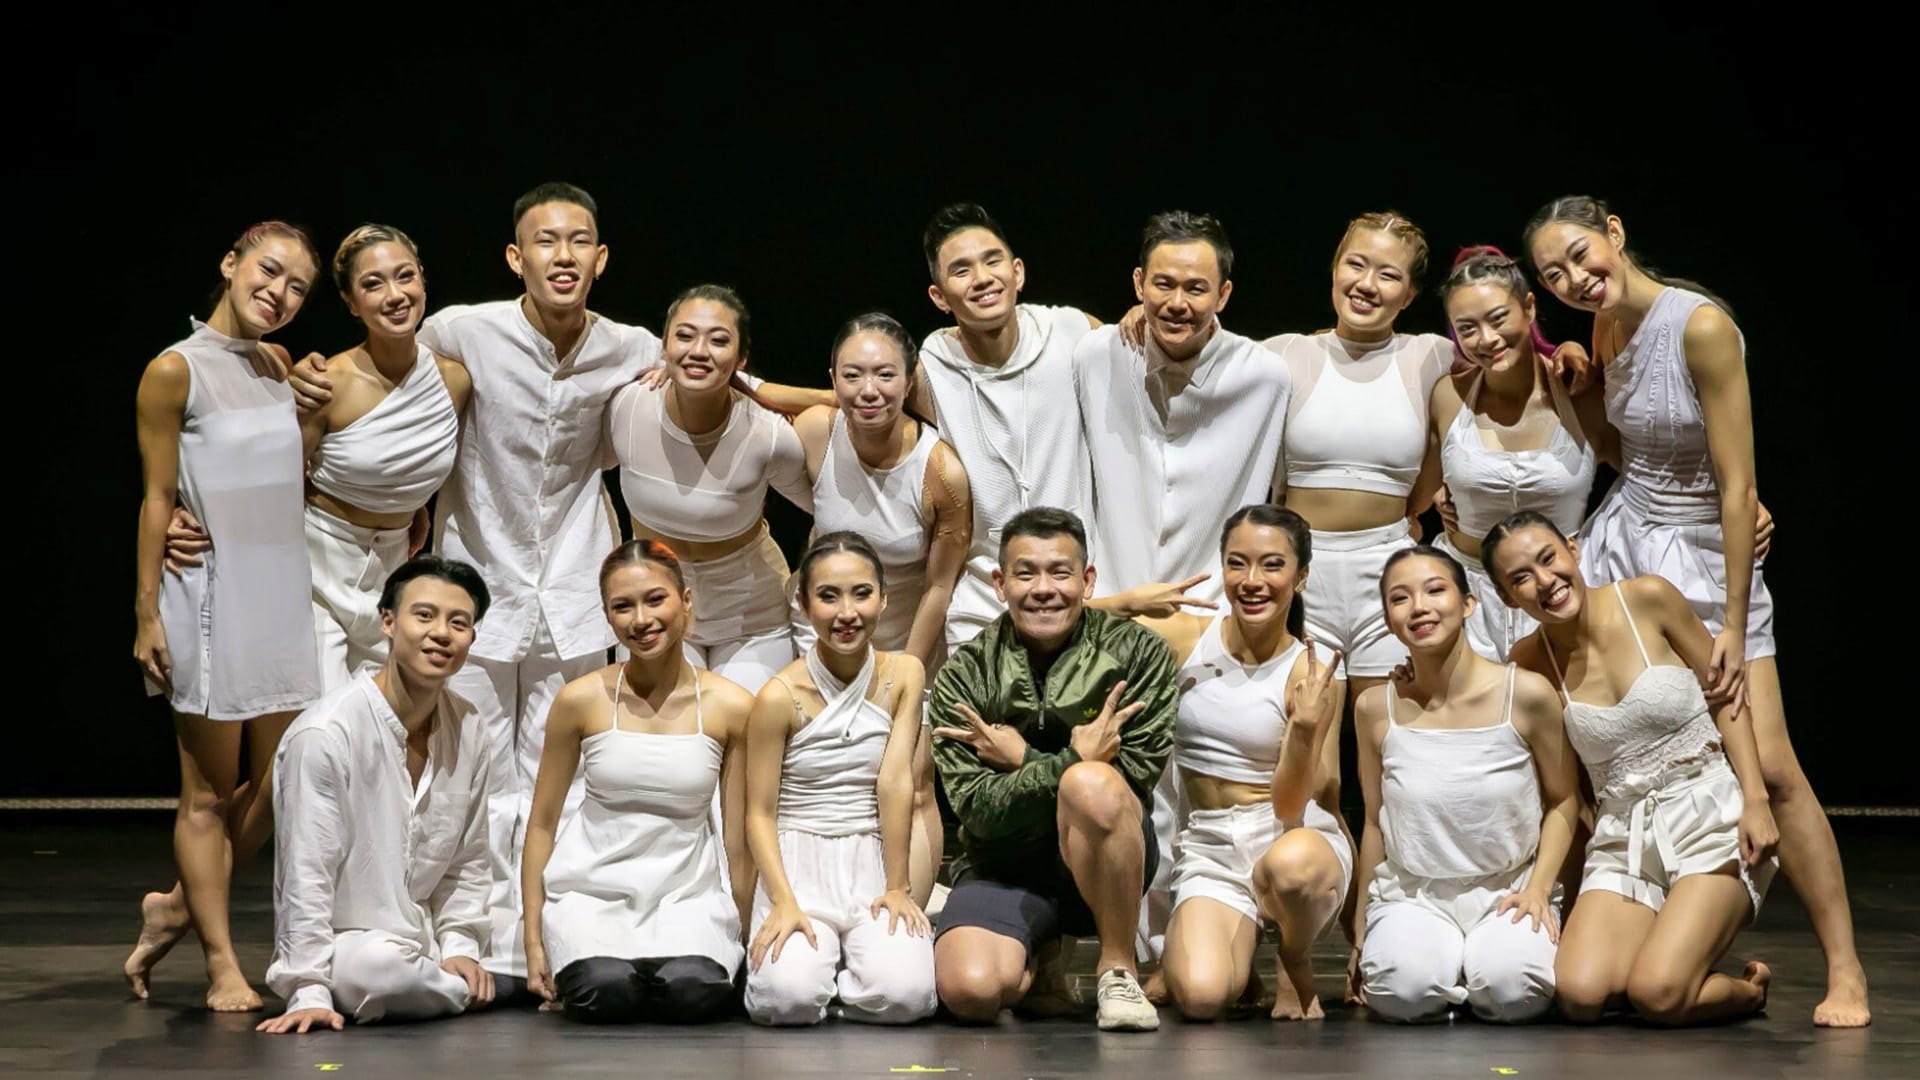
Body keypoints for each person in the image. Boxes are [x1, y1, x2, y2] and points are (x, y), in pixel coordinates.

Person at [1525, 195, 1868, 1027]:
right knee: (1613, 755)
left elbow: (1738, 484)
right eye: (1554, 274)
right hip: (1626, 540)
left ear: (1614, 232)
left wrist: (1734, 624)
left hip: (1711, 553)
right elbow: (1623, 452)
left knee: (1771, 766)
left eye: (1580, 255)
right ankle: (1623, 931)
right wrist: (1580, 391)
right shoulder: (1605, 327)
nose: (1575, 279)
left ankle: (1846, 968)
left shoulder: (1702, 327)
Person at [127, 222, 325, 1011]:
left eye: (297, 287)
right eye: (269, 272)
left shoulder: (277, 365)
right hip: (210, 592)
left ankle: (176, 905)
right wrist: (146, 613)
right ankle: (219, 963)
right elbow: (156, 497)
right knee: (208, 793)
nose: (279, 293)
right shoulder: (175, 370)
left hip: (281, 591)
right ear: (231, 263)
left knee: (281, 782)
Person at [1485, 512, 1777, 1025]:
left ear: (1573, 549)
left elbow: (1726, 697)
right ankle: (1669, 950)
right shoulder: (1529, 661)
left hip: (1710, 814)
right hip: (1623, 834)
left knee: (1657, 995)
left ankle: (1746, 991)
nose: (1545, 581)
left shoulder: (1648, 597)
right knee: (1580, 995)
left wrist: (1755, 799)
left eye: (1549, 558)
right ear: (1508, 598)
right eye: (1521, 578)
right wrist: (1412, 680)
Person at [929, 507, 1174, 1032]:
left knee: (1093, 784)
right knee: (970, 992)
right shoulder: (965, 674)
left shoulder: (1138, 654)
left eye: (1060, 573)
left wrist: (1023, 759)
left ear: (1087, 580)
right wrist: (1070, 759)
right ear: (1000, 584)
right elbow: (977, 810)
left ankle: (1117, 969)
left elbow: (1132, 782)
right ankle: (1038, 956)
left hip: (1102, 869)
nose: (1044, 589)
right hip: (1002, 866)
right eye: (1026, 574)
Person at [1127, 505, 1352, 1022]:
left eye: (1272, 565)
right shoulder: (1187, 637)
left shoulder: (1311, 671)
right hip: (1211, 842)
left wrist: (1303, 730)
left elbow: (1291, 804)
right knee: (1201, 998)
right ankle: (1231, 948)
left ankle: (1293, 958)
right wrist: (1128, 602)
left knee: (1290, 868)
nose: (1252, 581)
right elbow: (1067, 619)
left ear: (1301, 577)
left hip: (1291, 838)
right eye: (1237, 563)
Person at [257, 557, 495, 1033]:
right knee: (380, 971)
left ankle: (454, 978)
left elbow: (467, 861)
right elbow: (305, 874)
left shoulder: (469, 726)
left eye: (459, 623)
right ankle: (480, 990)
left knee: (542, 933)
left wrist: (461, 946)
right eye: (424, 615)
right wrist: (308, 990)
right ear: (388, 621)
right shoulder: (327, 734)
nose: (441, 633)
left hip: (425, 934)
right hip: (351, 944)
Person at [520, 541, 754, 1024]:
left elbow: (738, 838)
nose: (641, 619)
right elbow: (542, 823)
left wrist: (744, 933)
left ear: (685, 602)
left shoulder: (730, 705)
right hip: (592, 896)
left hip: (687, 897)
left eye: (655, 600)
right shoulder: (579, 699)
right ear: (607, 615)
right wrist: (533, 940)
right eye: (622, 606)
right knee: (604, 991)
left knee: (693, 992)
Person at [1349, 546, 1579, 1024]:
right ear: (1389, 620)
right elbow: (1373, 821)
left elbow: (1563, 801)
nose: (1419, 607)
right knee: (1401, 993)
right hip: (1415, 892)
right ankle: (1439, 967)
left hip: (1509, 888)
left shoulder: (1526, 693)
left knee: (1513, 992)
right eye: (1400, 598)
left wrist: (1539, 888)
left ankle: (1473, 968)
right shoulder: (1374, 708)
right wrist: (1360, 927)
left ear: (1469, 603)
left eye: (1435, 590)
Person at [790, 312, 973, 905]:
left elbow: (941, 585)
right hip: (821, 639)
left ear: (909, 379)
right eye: (853, 375)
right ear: (832, 380)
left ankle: (907, 909)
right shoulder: (817, 431)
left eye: (885, 375)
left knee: (911, 779)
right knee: (816, 780)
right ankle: (821, 899)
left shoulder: (941, 471)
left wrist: (903, 675)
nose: (869, 390)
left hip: (905, 642)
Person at [1260, 212, 1454, 715]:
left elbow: (1510, 358)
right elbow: (1197, 355)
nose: (1367, 284)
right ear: (1334, 269)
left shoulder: (1432, 355)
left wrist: (1563, 350)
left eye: (1388, 274)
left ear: (1409, 295)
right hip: (1303, 569)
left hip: (1389, 568)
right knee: (1308, 735)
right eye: (1356, 265)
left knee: (1390, 734)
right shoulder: (1284, 354)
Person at [742, 533, 937, 1026]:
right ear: (804, 604)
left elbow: (895, 782)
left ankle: (844, 975)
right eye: (828, 596)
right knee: (786, 1000)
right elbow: (759, 812)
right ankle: (818, 977)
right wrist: (783, 900)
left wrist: (898, 885)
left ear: (884, 598)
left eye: (861, 594)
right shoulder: (777, 697)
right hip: (797, 863)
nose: (847, 612)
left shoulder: (906, 673)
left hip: (872, 856)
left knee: (908, 997)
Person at [607, 284, 812, 695]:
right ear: (663, 346)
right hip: (653, 608)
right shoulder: (626, 407)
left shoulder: (766, 434)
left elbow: (828, 509)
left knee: (743, 723)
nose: (699, 350)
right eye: (685, 336)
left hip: (751, 616)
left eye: (719, 341)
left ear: (741, 359)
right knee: (669, 729)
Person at [913, 204, 1101, 650]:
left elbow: (1148, 364)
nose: (982, 278)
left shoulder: (1071, 333)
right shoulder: (929, 368)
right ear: (939, 297)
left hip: (1079, 588)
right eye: (961, 270)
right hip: (983, 599)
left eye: (992, 261)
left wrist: (1136, 320)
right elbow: (853, 396)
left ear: (1017, 272)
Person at [1429, 248, 1598, 662]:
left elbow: (1645, 469)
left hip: (1559, 590)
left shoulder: (1579, 389)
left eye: (1498, 318)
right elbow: (1414, 490)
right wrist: (1439, 491)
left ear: (1529, 307)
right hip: (1466, 594)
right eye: (1467, 328)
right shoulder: (1449, 395)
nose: (1487, 339)